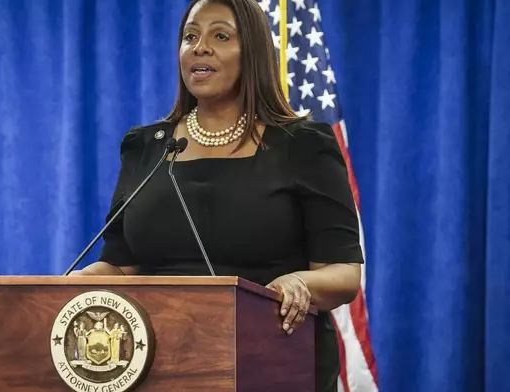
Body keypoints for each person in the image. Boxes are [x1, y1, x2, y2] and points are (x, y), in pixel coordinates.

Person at [71, 0, 362, 390]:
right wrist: (69, 286)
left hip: (271, 363)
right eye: (190, 37)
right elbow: (122, 267)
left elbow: (343, 273)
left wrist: (300, 284)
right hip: (159, 368)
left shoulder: (303, 145)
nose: (199, 47)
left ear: (254, 53)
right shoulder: (146, 147)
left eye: (220, 36)